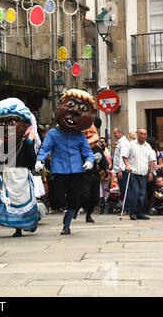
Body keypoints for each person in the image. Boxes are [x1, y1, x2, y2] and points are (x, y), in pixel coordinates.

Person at [35, 89, 95, 235]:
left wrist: (89, 161)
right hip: (59, 170)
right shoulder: (53, 134)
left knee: (75, 200)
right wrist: (40, 160)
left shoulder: (80, 136)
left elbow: (88, 152)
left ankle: (66, 224)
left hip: (76, 171)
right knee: (58, 199)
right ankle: (65, 208)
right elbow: (44, 149)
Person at [0, 98, 40, 237]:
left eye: (12, 122)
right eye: (2, 123)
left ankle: (28, 223)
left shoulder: (25, 142)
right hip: (8, 175)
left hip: (22, 175)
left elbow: (31, 161)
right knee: (11, 203)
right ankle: (17, 226)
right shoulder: (1, 143)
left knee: (24, 201)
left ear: (25, 123)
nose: (6, 127)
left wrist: (28, 144)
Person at [122, 129, 156, 220]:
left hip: (144, 173)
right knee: (135, 193)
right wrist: (127, 165)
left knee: (142, 194)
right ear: (137, 135)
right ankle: (133, 213)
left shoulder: (148, 146)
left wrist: (151, 172)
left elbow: (152, 160)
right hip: (133, 173)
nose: (143, 136)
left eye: (145, 134)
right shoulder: (131, 144)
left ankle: (140, 213)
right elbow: (124, 156)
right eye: (141, 134)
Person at [112, 127, 131, 216]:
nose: (114, 135)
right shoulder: (121, 142)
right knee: (123, 190)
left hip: (123, 170)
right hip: (120, 170)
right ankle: (126, 208)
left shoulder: (123, 143)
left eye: (115, 133)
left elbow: (122, 157)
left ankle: (127, 209)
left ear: (120, 133)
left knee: (125, 189)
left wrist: (120, 170)